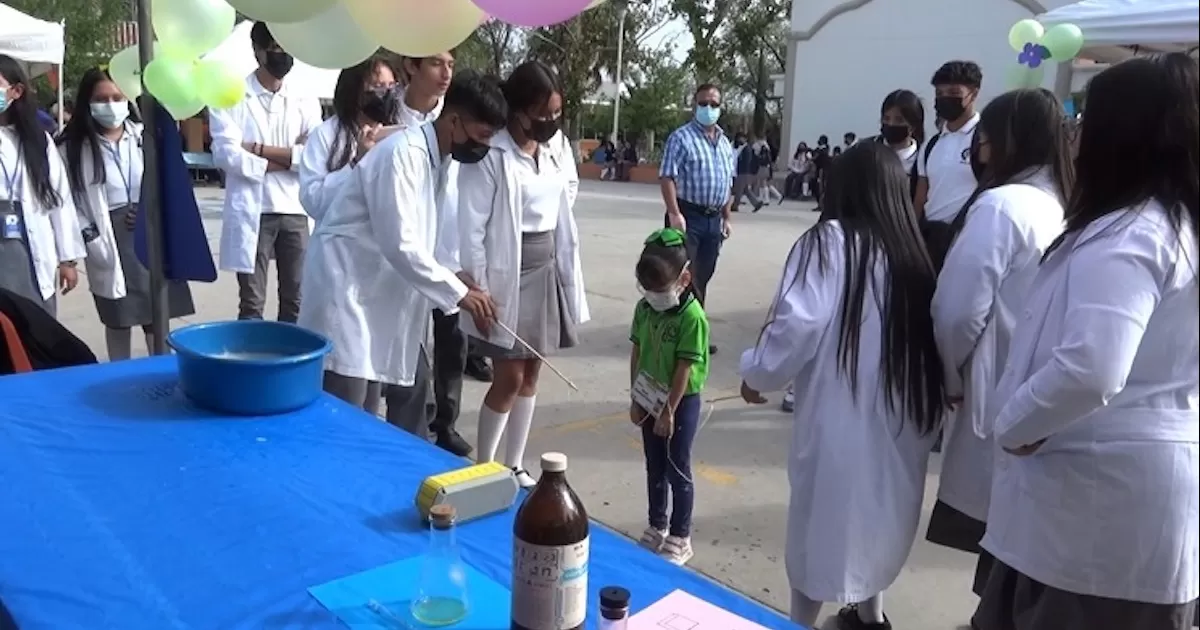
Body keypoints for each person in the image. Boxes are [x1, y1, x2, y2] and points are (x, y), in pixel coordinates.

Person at [972, 53, 1199, 630]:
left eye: (1084, 118)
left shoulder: (1130, 235)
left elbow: (1091, 368)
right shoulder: (1173, 226)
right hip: (1130, 503)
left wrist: (1016, 424)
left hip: (1093, 513)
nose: (1073, 132)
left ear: (1118, 133)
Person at [739, 141, 946, 630]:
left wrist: (758, 374)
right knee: (878, 521)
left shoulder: (827, 242)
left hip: (840, 421)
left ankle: (800, 623)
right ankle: (871, 618)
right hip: (902, 421)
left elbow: (796, 326)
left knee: (821, 534)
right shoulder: (914, 255)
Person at [925, 88, 1074, 604]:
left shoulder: (1001, 207)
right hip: (1043, 401)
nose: (978, 150)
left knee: (1000, 550)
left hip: (994, 393)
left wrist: (948, 377)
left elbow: (957, 312)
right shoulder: (1064, 206)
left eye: (984, 139)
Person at [297, 70, 505, 431]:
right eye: (482, 136)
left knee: (365, 409)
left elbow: (426, 232)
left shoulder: (438, 158)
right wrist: (460, 295)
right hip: (346, 291)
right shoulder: (403, 155)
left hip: (374, 295)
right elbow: (401, 243)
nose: (483, 147)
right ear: (454, 121)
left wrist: (455, 273)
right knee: (342, 413)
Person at [458, 61, 589, 487]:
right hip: (506, 270)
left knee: (532, 370)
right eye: (543, 113)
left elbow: (568, 188)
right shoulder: (491, 152)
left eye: (556, 114)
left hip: (546, 263)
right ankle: (485, 466)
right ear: (517, 109)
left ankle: (514, 464)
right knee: (508, 375)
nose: (551, 122)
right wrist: (478, 283)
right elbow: (472, 223)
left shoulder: (554, 147)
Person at [59, 67, 196, 360]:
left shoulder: (145, 138)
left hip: (149, 232)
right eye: (102, 98)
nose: (110, 105)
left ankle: (159, 370)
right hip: (108, 235)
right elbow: (68, 202)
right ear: (88, 102)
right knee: (118, 315)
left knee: (155, 314)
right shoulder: (71, 148)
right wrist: (90, 234)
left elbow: (166, 183)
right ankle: (118, 372)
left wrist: (151, 212)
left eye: (117, 97)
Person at [211, 21, 323, 322]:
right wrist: (289, 158)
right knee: (251, 302)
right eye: (275, 48)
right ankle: (253, 365)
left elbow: (314, 154)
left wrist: (257, 149)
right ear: (258, 52)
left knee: (297, 298)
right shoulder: (231, 96)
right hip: (254, 207)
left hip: (295, 208)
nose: (282, 56)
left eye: (287, 49)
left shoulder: (304, 97)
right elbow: (226, 154)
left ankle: (288, 363)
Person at [628, 227, 709, 566]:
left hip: (679, 402)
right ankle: (657, 524)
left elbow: (684, 369)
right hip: (649, 395)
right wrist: (635, 397)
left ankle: (680, 534)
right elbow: (637, 351)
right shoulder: (645, 309)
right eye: (648, 290)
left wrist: (668, 412)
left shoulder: (692, 317)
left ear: (684, 278)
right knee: (654, 465)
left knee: (677, 466)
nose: (654, 296)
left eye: (660, 289)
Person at [0, 54, 84, 317]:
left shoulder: (38, 141)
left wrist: (67, 259)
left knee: (34, 322)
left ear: (16, 91)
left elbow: (59, 200)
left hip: (30, 239)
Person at [659, 83, 735, 355]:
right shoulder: (681, 138)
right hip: (687, 215)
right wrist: (673, 212)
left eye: (714, 104)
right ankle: (682, 334)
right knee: (683, 276)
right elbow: (667, 176)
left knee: (703, 275)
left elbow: (728, 183)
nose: (709, 109)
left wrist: (727, 216)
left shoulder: (725, 144)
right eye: (704, 103)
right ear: (695, 105)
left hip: (713, 220)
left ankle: (693, 330)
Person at [299, 53, 400, 228]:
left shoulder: (397, 132)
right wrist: (355, 162)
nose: (387, 95)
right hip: (338, 247)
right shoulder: (326, 135)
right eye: (378, 87)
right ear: (356, 92)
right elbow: (313, 201)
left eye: (391, 86)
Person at [915, 60, 983, 266]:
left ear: (973, 93)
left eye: (953, 92)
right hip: (932, 242)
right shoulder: (931, 145)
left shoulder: (986, 139)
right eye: (939, 94)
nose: (945, 99)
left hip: (970, 242)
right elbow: (920, 198)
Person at [877, 89, 926, 199]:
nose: (891, 124)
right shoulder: (868, 153)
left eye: (899, 120)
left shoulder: (923, 160)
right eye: (886, 118)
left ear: (913, 126)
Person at [731, 132, 764, 212]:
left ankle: (735, 205)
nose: (740, 139)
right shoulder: (740, 147)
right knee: (745, 190)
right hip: (741, 171)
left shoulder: (746, 148)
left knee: (739, 189)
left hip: (743, 172)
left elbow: (746, 161)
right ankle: (756, 203)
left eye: (742, 138)